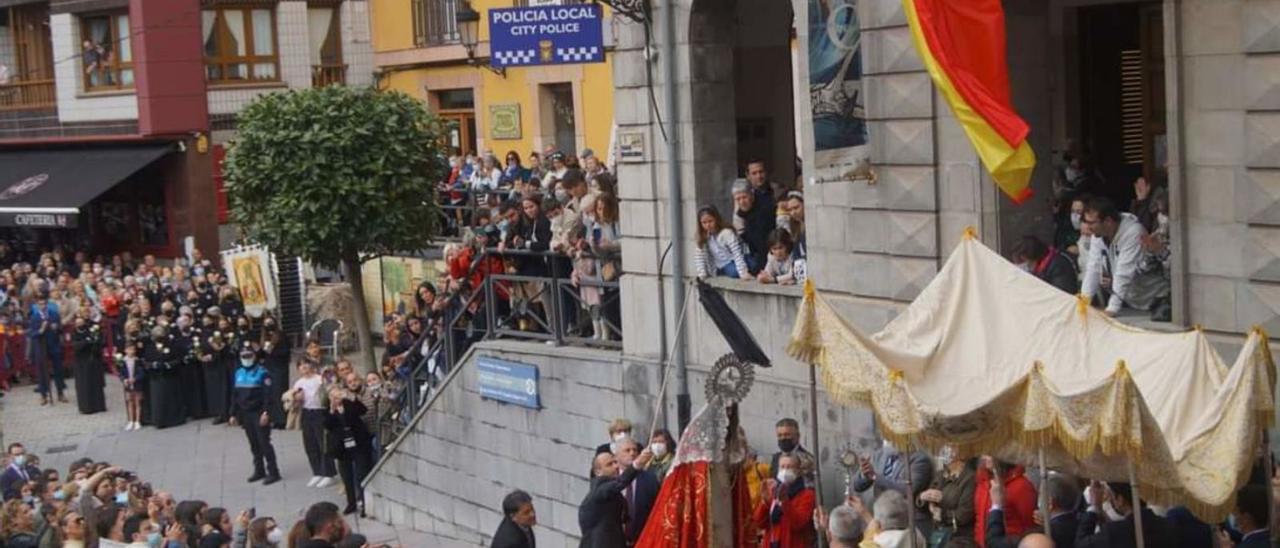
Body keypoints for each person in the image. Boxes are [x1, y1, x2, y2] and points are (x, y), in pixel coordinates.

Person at [1080, 197, 1169, 317]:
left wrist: (1112, 308)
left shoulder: (1133, 233)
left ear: (1108, 221)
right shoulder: (1098, 235)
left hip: (1155, 298)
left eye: (1091, 222)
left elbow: (1124, 273)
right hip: (1132, 300)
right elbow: (1093, 269)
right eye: (1086, 222)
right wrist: (1083, 302)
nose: (1088, 227)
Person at [578, 448, 653, 548]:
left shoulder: (611, 492)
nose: (616, 466)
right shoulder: (600, 489)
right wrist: (637, 464)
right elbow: (620, 483)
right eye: (609, 464)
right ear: (598, 472)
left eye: (615, 462)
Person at [229, 343, 281, 485]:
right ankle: (259, 470)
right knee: (253, 443)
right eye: (243, 356)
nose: (246, 358)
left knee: (264, 443)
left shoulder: (262, 373)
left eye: (249, 356)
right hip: (245, 414)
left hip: (259, 412)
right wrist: (233, 413)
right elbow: (235, 395)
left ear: (254, 356)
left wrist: (266, 413)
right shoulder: (238, 373)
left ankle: (274, 472)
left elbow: (268, 396)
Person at [1075, 481, 1174, 548]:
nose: (1110, 499)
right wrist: (1099, 510)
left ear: (1120, 500)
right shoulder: (1166, 525)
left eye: (1112, 496)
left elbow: (1080, 545)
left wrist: (1094, 507)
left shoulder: (1115, 533)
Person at [324, 386, 373, 516]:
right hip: (341, 447)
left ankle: (364, 502)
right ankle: (351, 502)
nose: (336, 399)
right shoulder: (328, 410)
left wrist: (350, 399)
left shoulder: (350, 404)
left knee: (361, 473)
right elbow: (327, 425)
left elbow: (362, 410)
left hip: (357, 442)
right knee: (346, 475)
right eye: (333, 397)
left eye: (338, 396)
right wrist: (332, 409)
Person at [752, 453, 816, 548]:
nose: (785, 471)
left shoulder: (807, 495)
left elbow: (798, 523)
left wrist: (785, 502)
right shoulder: (774, 491)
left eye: (789, 467)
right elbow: (758, 522)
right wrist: (764, 502)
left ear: (798, 471)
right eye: (782, 467)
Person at [918, 449, 976, 547]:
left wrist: (942, 510)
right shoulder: (940, 474)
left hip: (960, 536)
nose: (945, 452)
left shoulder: (970, 478)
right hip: (939, 531)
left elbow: (964, 515)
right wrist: (923, 498)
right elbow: (928, 501)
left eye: (951, 447)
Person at [292, 361, 336, 489]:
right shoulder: (299, 383)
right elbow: (294, 398)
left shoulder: (319, 379)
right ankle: (317, 471)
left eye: (306, 365)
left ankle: (329, 473)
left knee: (323, 442)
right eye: (301, 366)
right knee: (310, 443)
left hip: (320, 411)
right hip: (306, 412)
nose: (304, 368)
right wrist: (297, 398)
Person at [974, 459, 1036, 547]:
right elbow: (979, 520)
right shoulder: (982, 483)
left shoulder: (1021, 486)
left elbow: (1029, 524)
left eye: (990, 452)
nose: (985, 457)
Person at [614, 438, 659, 543]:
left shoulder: (649, 479)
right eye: (627, 450)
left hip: (642, 540)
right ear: (616, 456)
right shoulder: (610, 479)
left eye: (635, 450)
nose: (632, 453)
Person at [28, 290, 67, 405]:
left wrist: (56, 327)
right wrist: (41, 330)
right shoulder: (34, 317)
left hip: (53, 344)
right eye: (40, 304)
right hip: (41, 346)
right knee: (42, 371)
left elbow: (60, 328)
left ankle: (60, 392)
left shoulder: (54, 314)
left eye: (44, 304)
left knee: (58, 369)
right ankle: (43, 394)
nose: (43, 306)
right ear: (37, 305)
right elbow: (32, 333)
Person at [732, 178, 776, 274]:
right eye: (738, 199)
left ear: (751, 194)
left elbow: (762, 243)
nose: (742, 202)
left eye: (744, 197)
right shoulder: (742, 212)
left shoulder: (764, 208)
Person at [694, 206, 751, 280]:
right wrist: (702, 274)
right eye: (704, 223)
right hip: (718, 266)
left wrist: (743, 273)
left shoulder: (726, 233)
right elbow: (699, 256)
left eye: (710, 221)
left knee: (747, 266)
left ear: (716, 219)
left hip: (731, 260)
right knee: (732, 271)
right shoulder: (703, 236)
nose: (708, 225)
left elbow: (737, 252)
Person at [1011, 235, 1079, 295]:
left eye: (1023, 262)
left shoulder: (1059, 267)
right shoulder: (1040, 268)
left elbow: (1061, 296)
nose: (1023, 267)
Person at [71, 316, 107, 414]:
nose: (80, 325)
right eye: (78, 323)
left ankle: (99, 406)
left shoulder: (91, 331)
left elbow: (99, 342)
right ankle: (86, 407)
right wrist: (86, 342)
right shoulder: (74, 334)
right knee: (84, 385)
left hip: (93, 360)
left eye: (81, 322)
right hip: (81, 363)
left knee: (95, 383)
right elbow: (75, 346)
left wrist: (94, 341)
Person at [769, 418, 816, 483]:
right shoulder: (775, 458)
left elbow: (810, 485)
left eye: (787, 435)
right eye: (779, 435)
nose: (783, 438)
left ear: (797, 436)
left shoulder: (807, 459)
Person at [117, 341, 145, 430]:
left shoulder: (138, 361)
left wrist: (136, 378)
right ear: (125, 350)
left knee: (138, 402)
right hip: (128, 385)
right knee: (129, 402)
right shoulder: (122, 361)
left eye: (133, 350)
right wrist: (124, 379)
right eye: (129, 350)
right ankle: (130, 421)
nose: (131, 352)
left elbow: (142, 373)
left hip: (137, 384)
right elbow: (120, 373)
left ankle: (137, 421)